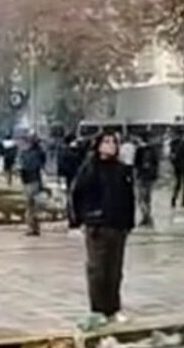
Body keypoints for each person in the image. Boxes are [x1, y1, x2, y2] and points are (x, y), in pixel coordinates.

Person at [71, 133, 135, 327]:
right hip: (97, 226)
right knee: (98, 270)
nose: (110, 146)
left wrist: (128, 222)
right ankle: (98, 309)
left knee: (114, 271)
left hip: (118, 226)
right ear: (98, 145)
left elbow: (128, 197)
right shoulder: (90, 169)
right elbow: (77, 194)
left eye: (114, 142)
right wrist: (82, 218)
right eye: (106, 142)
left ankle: (113, 308)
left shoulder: (122, 170)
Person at [59, 133, 89, 230]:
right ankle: (76, 219)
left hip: (73, 178)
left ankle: (75, 219)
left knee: (73, 199)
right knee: (75, 199)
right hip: (74, 178)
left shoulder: (65, 152)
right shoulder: (71, 152)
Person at [19, 135, 48, 236]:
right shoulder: (39, 153)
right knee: (34, 206)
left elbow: (23, 168)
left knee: (30, 206)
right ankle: (35, 227)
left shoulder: (26, 154)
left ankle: (32, 227)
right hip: (35, 180)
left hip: (29, 181)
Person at [132, 136, 160, 228]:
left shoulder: (139, 150)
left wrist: (135, 177)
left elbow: (136, 165)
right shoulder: (153, 150)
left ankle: (146, 217)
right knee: (147, 198)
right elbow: (156, 164)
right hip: (150, 177)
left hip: (142, 177)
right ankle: (147, 216)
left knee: (141, 199)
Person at [169, 129, 184, 209]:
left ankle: (174, 200)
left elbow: (172, 155)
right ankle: (183, 202)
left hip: (178, 166)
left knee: (178, 184)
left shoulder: (173, 143)